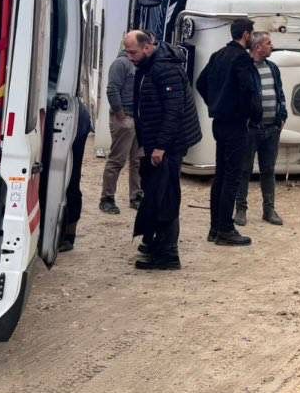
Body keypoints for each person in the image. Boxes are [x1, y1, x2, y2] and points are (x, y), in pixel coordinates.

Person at [128, 30, 200, 270]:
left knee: (166, 196)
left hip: (169, 144)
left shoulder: (164, 68)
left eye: (133, 52)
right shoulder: (150, 65)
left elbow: (173, 111)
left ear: (148, 47)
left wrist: (161, 146)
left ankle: (168, 254)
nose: (129, 56)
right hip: (157, 142)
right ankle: (153, 242)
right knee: (155, 192)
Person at [195, 16, 261, 246]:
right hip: (235, 124)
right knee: (232, 177)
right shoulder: (241, 59)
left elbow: (201, 83)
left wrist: (215, 104)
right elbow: (248, 92)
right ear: (245, 34)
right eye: (252, 34)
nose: (253, 37)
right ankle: (225, 228)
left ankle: (215, 227)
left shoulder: (218, 55)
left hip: (219, 122)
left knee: (221, 176)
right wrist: (253, 115)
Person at [235, 31, 287, 227]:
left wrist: (282, 116)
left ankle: (269, 209)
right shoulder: (246, 69)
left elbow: (279, 93)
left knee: (268, 170)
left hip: (271, 128)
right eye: (268, 43)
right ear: (258, 47)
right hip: (250, 129)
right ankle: (241, 209)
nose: (271, 46)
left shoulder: (273, 68)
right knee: (244, 170)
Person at [98, 40, 142, 215]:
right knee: (117, 160)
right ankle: (107, 198)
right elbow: (112, 89)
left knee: (137, 161)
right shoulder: (121, 64)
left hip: (137, 119)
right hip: (125, 118)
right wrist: (121, 116)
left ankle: (136, 195)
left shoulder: (136, 64)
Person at [59, 102, 92, 254]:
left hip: (70, 116)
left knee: (70, 178)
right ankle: (66, 234)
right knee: (70, 177)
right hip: (72, 112)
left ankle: (67, 235)